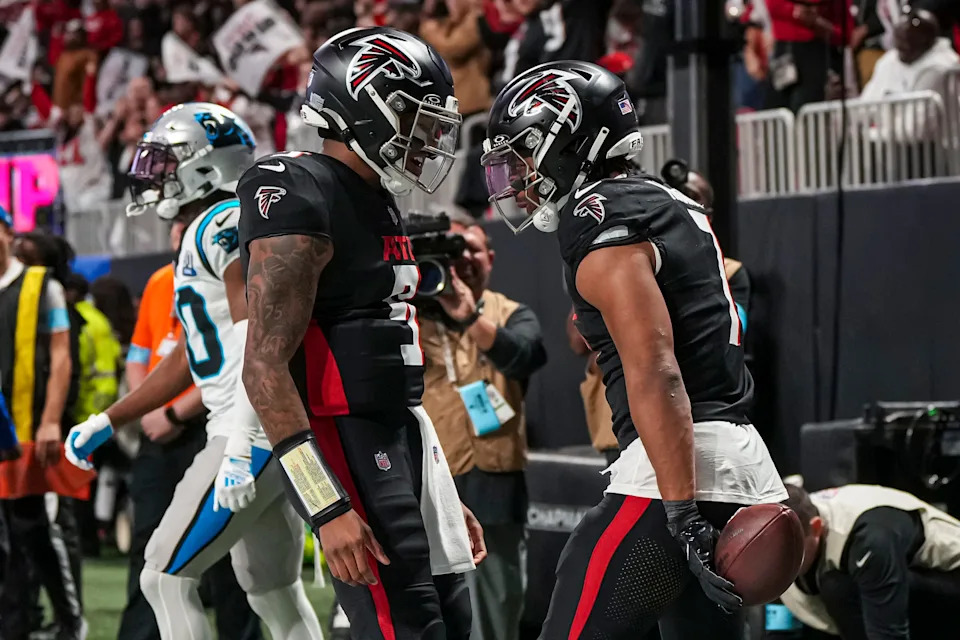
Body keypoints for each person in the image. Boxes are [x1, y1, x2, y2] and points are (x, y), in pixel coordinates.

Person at [482, 60, 788, 639]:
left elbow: (656, 369)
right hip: (734, 461)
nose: (517, 175)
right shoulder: (666, 201)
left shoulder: (603, 217)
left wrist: (680, 513)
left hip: (677, 470)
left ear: (568, 139)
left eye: (524, 152)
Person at [237, 26, 486, 640]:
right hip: (343, 440)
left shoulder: (377, 195)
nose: (429, 137)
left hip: (398, 436)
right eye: (417, 118)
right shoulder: (298, 188)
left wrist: (437, 488)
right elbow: (264, 368)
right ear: (366, 106)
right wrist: (324, 505)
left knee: (451, 624)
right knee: (406, 628)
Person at [66, 103, 323, 640]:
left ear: (206, 166)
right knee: (273, 590)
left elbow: (260, 333)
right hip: (268, 431)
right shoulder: (214, 225)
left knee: (164, 576)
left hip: (248, 431)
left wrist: (241, 441)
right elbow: (193, 350)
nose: (155, 176)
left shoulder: (223, 222)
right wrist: (111, 419)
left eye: (167, 162)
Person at [420, 220, 546, 640]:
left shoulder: (510, 312)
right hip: (431, 477)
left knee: (497, 604)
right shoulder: (409, 316)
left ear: (490, 258)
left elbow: (526, 357)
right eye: (454, 251)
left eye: (473, 249)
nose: (465, 259)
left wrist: (470, 316)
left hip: (495, 480)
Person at [0, 209, 83, 640]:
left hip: (30, 429)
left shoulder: (40, 285)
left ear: (8, 234)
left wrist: (51, 420)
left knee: (37, 531)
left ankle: (71, 621)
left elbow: (61, 355)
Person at [781, 483, 960, 640]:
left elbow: (889, 633)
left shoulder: (868, 538)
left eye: (788, 552)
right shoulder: (781, 521)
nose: (776, 563)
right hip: (895, 582)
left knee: (839, 587)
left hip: (949, 579)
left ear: (816, 527)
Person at [659, 160, 751, 334]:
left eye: (691, 200)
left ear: (708, 216)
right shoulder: (647, 262)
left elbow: (734, 327)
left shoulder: (729, 271)